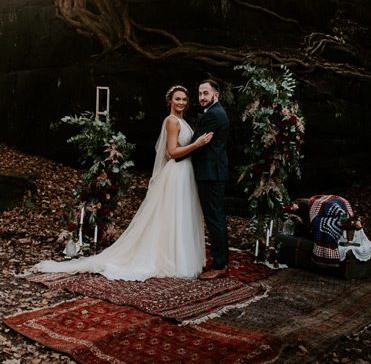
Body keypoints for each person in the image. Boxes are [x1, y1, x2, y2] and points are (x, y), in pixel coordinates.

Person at [34, 85, 214, 281]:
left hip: (185, 171)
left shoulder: (181, 120)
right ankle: (171, 259)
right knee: (173, 214)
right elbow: (172, 152)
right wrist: (197, 145)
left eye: (184, 100)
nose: (181, 103)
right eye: (177, 99)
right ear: (170, 100)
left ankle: (180, 257)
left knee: (181, 214)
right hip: (177, 172)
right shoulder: (171, 121)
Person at [178, 79, 230, 280]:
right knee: (215, 217)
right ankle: (221, 261)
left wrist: (175, 155)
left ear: (215, 95)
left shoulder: (214, 115)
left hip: (210, 173)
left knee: (214, 218)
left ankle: (219, 265)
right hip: (213, 172)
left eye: (205, 94)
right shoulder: (215, 112)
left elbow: (196, 141)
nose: (202, 97)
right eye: (200, 94)